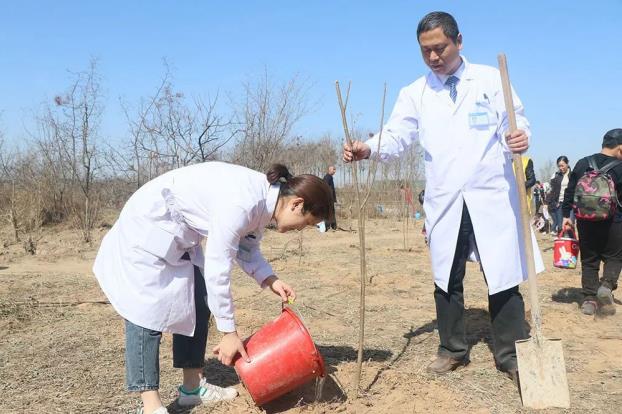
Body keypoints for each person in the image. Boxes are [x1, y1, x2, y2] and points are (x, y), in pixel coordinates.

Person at [342, 11, 543, 382]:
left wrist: (520, 136)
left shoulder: (491, 80)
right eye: (425, 51)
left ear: (458, 41)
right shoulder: (415, 92)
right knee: (446, 276)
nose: (434, 57)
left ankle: (511, 353)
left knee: (501, 274)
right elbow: (396, 135)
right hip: (445, 197)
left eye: (440, 48)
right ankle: (452, 348)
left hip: (491, 194)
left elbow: (515, 121)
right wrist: (367, 148)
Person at [93, 162, 334, 414]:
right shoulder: (243, 203)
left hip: (179, 236)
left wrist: (270, 279)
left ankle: (192, 388)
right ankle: (151, 405)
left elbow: (246, 248)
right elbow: (218, 269)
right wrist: (229, 332)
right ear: (296, 204)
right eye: (305, 222)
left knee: (197, 300)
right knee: (144, 314)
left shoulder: (263, 204)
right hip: (148, 225)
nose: (301, 229)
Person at [562, 129, 622, 316]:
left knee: (589, 260)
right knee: (615, 256)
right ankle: (606, 285)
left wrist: (566, 216)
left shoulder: (582, 163)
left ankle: (589, 300)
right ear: (620, 148)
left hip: (585, 221)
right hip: (613, 220)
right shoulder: (620, 167)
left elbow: (570, 192)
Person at [547, 156, 571, 234]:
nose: (561, 168)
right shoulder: (556, 175)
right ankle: (561, 242)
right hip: (559, 203)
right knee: (560, 225)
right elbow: (551, 190)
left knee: (569, 224)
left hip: (570, 204)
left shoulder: (573, 175)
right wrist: (548, 202)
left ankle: (571, 244)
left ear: (567, 163)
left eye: (562, 165)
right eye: (559, 166)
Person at [323, 165, 338, 230]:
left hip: (330, 198)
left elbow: (332, 189)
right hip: (327, 198)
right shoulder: (327, 177)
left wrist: (334, 199)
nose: (335, 171)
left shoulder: (330, 177)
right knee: (328, 212)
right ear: (330, 170)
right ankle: (327, 226)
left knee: (331, 211)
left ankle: (333, 226)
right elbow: (325, 188)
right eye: (333, 169)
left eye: (335, 169)